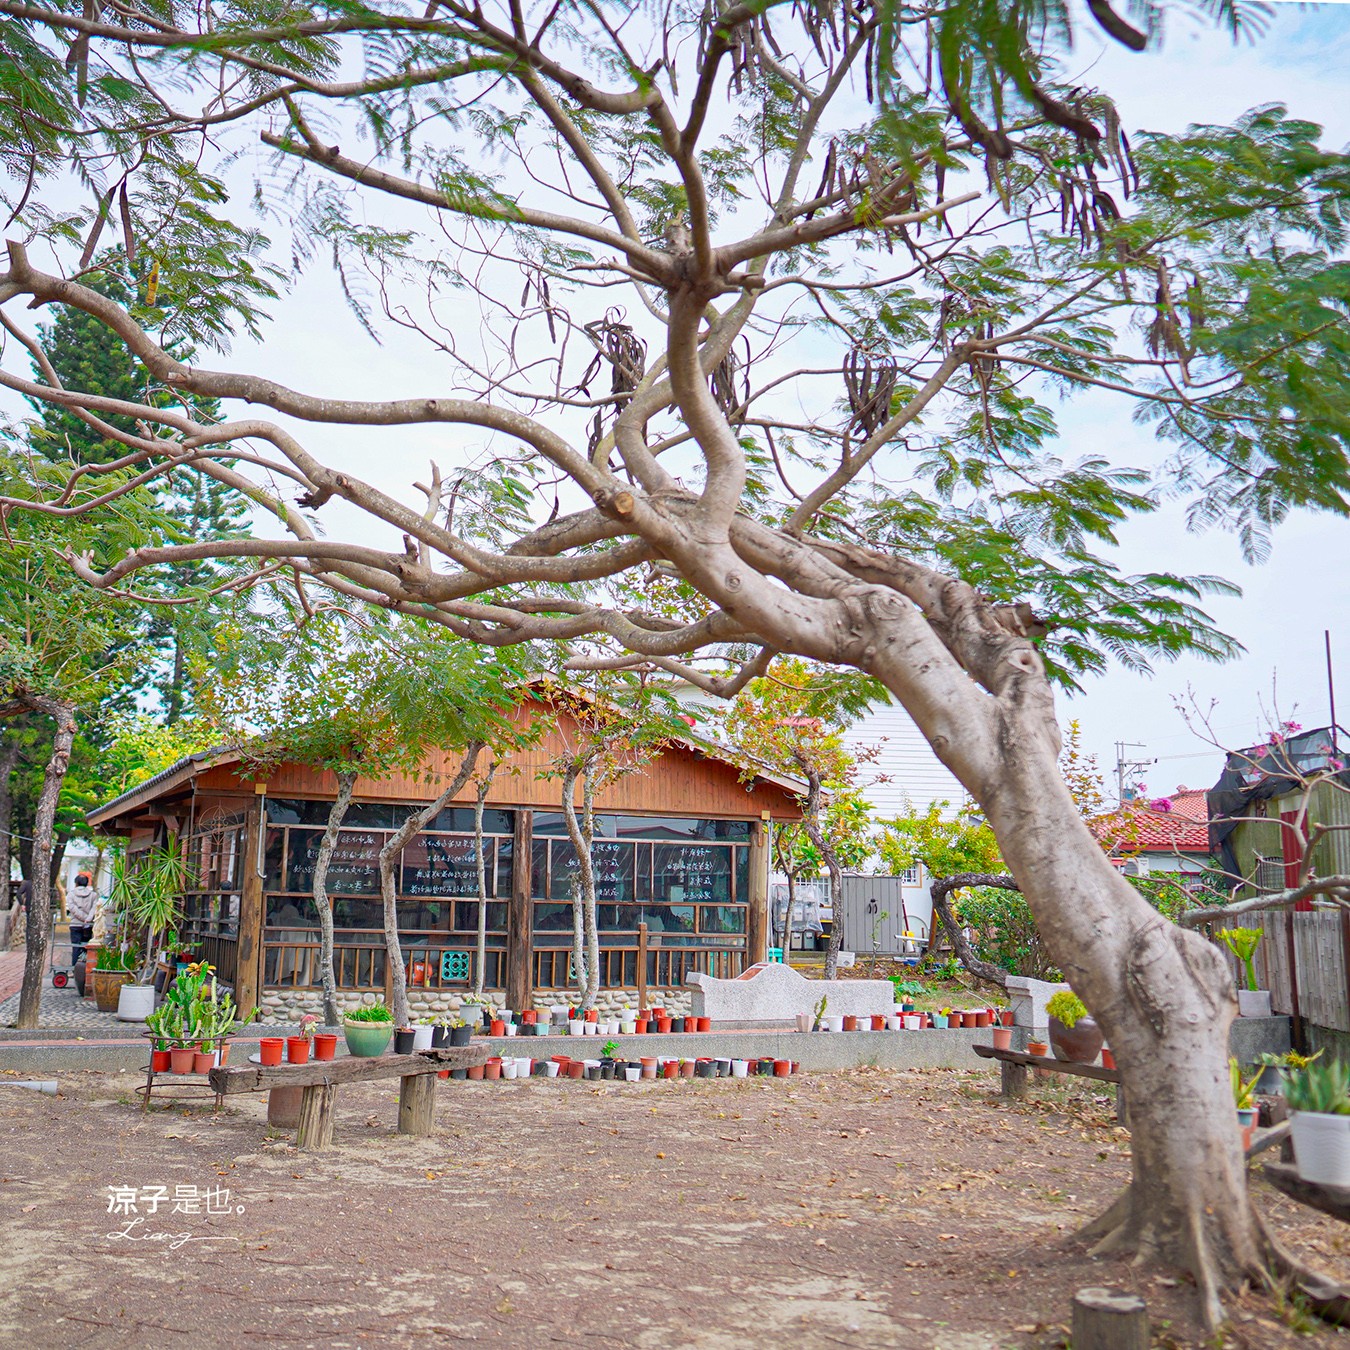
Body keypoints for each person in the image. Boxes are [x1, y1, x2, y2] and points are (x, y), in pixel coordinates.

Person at [67, 871, 99, 968]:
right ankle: (86, 969)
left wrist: (83, 918)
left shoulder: (71, 894)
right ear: (87, 883)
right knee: (87, 947)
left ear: (76, 883)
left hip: (75, 925)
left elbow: (72, 908)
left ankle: (75, 969)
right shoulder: (93, 895)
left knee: (76, 948)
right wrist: (88, 919)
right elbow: (94, 908)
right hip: (88, 925)